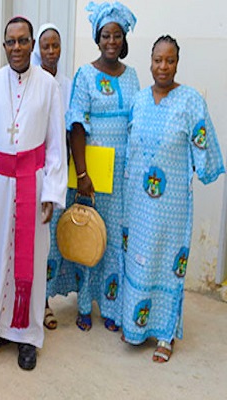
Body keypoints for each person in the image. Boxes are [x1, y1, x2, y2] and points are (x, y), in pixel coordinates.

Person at [0, 15, 67, 371]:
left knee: (31, 260)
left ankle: (27, 337)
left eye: (24, 41)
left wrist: (51, 193)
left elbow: (56, 144)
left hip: (33, 184)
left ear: (33, 44)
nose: (18, 47)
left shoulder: (48, 86)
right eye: (11, 41)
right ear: (4, 45)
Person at [122, 35, 224, 363]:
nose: (162, 67)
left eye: (169, 60)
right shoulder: (138, 100)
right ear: (149, 61)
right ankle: (135, 327)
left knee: (167, 265)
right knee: (138, 260)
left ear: (177, 63)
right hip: (137, 203)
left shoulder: (190, 101)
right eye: (157, 60)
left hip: (172, 206)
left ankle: (165, 334)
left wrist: (206, 168)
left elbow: (204, 149)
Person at [62, 1, 139, 333]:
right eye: (106, 35)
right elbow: (76, 124)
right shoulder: (85, 75)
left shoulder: (134, 75)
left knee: (115, 237)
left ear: (123, 40)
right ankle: (83, 304)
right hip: (92, 169)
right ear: (97, 38)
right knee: (88, 232)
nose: (111, 41)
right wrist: (82, 173)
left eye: (117, 36)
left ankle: (110, 304)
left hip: (124, 172)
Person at [30, 23, 74, 330]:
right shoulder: (32, 82)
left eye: (55, 45)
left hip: (61, 169)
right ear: (38, 49)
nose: (50, 51)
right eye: (45, 46)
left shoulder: (68, 83)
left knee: (54, 244)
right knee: (35, 242)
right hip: (34, 171)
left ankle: (47, 298)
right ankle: (38, 303)